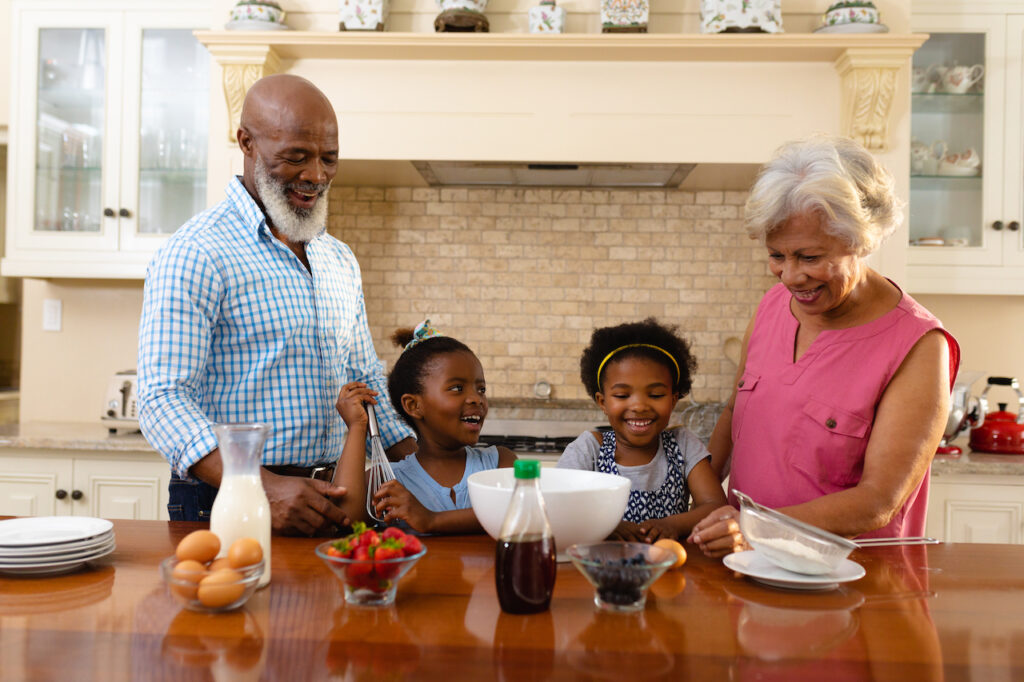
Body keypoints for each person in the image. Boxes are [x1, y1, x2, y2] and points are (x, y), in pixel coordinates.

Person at [137, 74, 414, 536]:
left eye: (329, 158)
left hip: (334, 496)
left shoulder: (338, 258)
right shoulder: (196, 252)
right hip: (227, 498)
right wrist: (259, 485)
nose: (317, 176)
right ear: (246, 142)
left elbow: (364, 380)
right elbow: (161, 400)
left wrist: (430, 472)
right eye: (296, 157)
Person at [688, 134, 960, 558]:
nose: (790, 277)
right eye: (777, 255)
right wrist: (702, 502)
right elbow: (734, 411)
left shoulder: (919, 346)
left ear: (861, 240)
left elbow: (878, 501)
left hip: (851, 585)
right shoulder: (772, 306)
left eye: (810, 257)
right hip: (748, 565)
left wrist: (754, 526)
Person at [334, 320, 517, 534]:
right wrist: (357, 427)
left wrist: (431, 520)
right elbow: (346, 518)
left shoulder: (500, 462)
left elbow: (516, 510)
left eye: (481, 389)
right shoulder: (388, 481)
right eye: (457, 388)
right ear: (414, 405)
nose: (476, 399)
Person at [557, 318, 728, 542]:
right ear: (602, 402)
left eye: (656, 395)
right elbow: (557, 504)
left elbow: (715, 506)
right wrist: (605, 525)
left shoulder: (683, 444)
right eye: (622, 395)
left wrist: (671, 525)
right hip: (602, 569)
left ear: (674, 399)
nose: (639, 406)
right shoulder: (590, 449)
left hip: (671, 569)